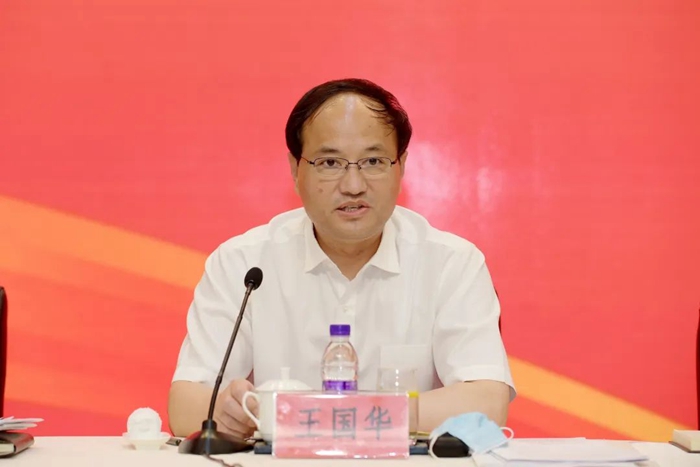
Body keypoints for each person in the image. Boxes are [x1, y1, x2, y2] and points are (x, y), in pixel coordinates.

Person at [168, 78, 515, 440]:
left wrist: (312, 418)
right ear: (295, 169)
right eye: (330, 162)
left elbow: (487, 402)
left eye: (373, 161)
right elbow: (185, 405)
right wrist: (227, 413)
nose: (353, 185)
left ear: (401, 166)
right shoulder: (242, 264)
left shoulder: (451, 264)